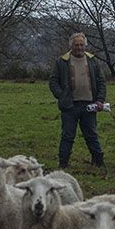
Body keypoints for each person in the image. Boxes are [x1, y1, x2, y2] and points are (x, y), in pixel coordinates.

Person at [47, 32, 106, 168]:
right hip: (69, 106)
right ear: (71, 46)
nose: (79, 47)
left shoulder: (93, 61)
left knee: (91, 135)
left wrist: (100, 100)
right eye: (76, 45)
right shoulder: (61, 61)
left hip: (90, 105)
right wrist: (61, 96)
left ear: (85, 45)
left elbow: (101, 81)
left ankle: (99, 162)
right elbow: (53, 81)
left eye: (81, 45)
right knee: (67, 136)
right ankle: (63, 164)